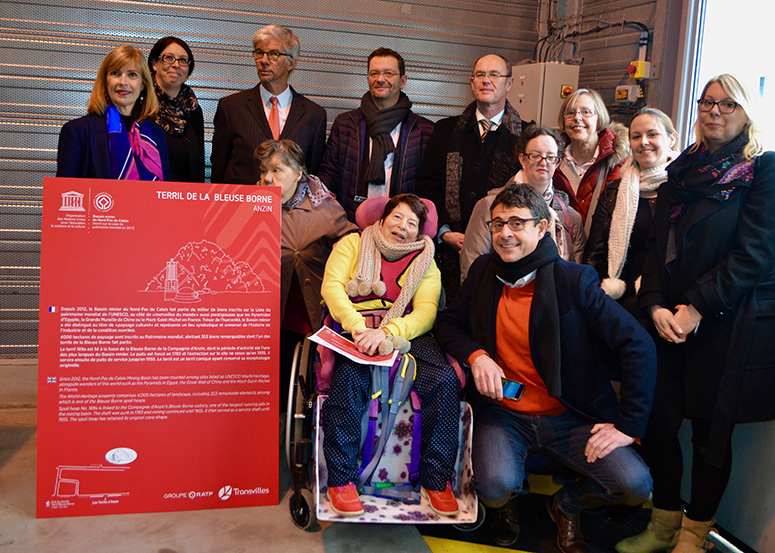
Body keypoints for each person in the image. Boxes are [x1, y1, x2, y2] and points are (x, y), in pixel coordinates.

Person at [435, 184, 656, 551]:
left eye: (517, 223)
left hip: (570, 414)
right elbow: (447, 324)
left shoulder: (574, 280)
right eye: (498, 223)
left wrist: (628, 425)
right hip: (503, 413)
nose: (505, 233)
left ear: (541, 228)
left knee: (634, 485)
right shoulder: (483, 272)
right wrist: (477, 356)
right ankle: (506, 506)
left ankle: (566, 505)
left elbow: (639, 345)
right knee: (493, 489)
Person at [625, 74, 775, 553]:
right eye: (707, 102)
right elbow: (656, 251)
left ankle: (695, 535)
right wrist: (654, 305)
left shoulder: (761, 171)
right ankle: (664, 521)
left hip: (727, 321)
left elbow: (755, 254)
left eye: (727, 104)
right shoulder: (683, 170)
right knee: (659, 422)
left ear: (747, 111)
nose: (714, 112)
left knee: (712, 435)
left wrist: (697, 308)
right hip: (669, 318)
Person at [320, 194, 461, 518]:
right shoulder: (351, 244)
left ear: (419, 232)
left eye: (412, 223)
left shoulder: (427, 260)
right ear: (381, 220)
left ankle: (436, 479)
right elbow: (332, 288)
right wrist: (357, 327)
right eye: (397, 218)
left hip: (404, 332)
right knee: (348, 381)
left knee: (443, 380)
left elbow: (426, 311)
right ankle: (341, 480)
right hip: (355, 325)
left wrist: (388, 333)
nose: (403, 227)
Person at [254, 139, 356, 409]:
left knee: (305, 372)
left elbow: (351, 240)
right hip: (267, 309)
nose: (267, 178)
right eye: (264, 170)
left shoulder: (323, 206)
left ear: (298, 173)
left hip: (309, 307)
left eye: (277, 170)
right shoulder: (250, 203)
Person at [418, 54, 524, 300]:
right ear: (471, 82)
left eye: (494, 75)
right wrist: (444, 232)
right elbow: (428, 185)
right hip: (446, 251)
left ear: (509, 83)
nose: (486, 81)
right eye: (480, 75)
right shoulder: (445, 130)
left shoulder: (525, 136)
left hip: (501, 250)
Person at [317, 47, 434, 222]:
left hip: (401, 233)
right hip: (351, 227)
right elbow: (328, 175)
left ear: (403, 80)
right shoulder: (345, 124)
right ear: (368, 79)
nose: (381, 79)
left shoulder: (424, 130)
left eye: (389, 73)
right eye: (374, 73)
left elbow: (430, 187)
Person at [584, 108, 679, 319]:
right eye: (636, 136)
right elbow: (596, 252)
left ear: (671, 139)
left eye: (652, 134)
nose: (643, 142)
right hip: (618, 302)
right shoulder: (615, 190)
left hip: (666, 303)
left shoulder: (683, 189)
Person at [460, 125, 584, 282]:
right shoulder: (490, 205)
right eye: (535, 155)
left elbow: (574, 278)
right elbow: (472, 269)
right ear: (523, 160)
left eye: (550, 157)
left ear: (557, 163)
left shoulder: (570, 218)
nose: (543, 162)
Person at [211, 24, 326, 184]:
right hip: (242, 205)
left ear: (291, 63)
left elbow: (312, 173)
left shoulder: (313, 114)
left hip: (291, 207)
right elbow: (219, 168)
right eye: (259, 53)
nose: (263, 61)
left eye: (273, 54)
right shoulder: (230, 107)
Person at [56, 44, 170, 180]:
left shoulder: (157, 134)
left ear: (143, 84)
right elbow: (64, 194)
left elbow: (163, 193)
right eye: (115, 73)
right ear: (105, 81)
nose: (123, 82)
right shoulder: (77, 131)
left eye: (132, 75)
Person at [553, 88, 628, 227]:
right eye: (570, 112)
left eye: (586, 112)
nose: (577, 118)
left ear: (599, 117)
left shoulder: (619, 163)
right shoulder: (551, 161)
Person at [148, 36, 205, 182]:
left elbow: (198, 167)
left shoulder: (193, 109)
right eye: (168, 58)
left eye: (183, 60)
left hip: (185, 199)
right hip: (147, 196)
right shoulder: (140, 104)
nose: (176, 65)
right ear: (154, 63)